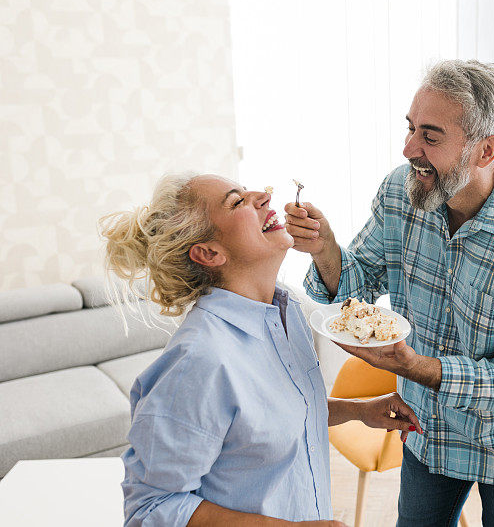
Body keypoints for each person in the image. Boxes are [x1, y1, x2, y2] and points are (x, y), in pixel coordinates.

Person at [284, 60, 494, 527]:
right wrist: (324, 249)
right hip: (428, 427)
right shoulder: (402, 192)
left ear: (486, 150)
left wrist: (408, 365)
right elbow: (358, 284)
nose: (408, 149)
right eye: (410, 128)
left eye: (430, 136)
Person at [99, 172, 422, 527]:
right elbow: (150, 509)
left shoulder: (287, 313)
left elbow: (264, 419)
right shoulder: (198, 360)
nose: (263, 197)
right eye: (237, 202)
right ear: (209, 253)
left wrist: (358, 411)